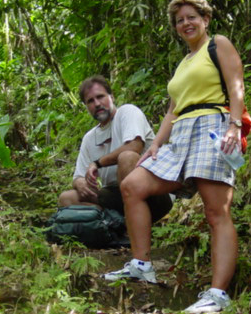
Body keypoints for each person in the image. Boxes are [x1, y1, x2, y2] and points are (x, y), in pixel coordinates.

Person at [102, 0, 246, 314]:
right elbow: (172, 110)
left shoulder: (217, 44)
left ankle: (218, 294)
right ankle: (141, 264)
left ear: (205, 19)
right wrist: (154, 145)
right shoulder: (183, 64)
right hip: (180, 135)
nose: (186, 23)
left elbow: (236, 84)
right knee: (132, 185)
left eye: (191, 17)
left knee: (216, 211)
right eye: (180, 20)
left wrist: (234, 126)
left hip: (212, 124)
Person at [58, 75, 172, 224]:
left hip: (152, 192)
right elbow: (78, 176)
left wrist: (98, 163)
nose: (97, 103)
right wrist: (80, 183)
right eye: (90, 101)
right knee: (66, 198)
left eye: (100, 97)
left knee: (127, 157)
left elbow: (134, 146)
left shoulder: (127, 112)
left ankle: (134, 224)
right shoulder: (89, 138)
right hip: (115, 195)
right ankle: (114, 224)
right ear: (86, 107)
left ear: (112, 97)